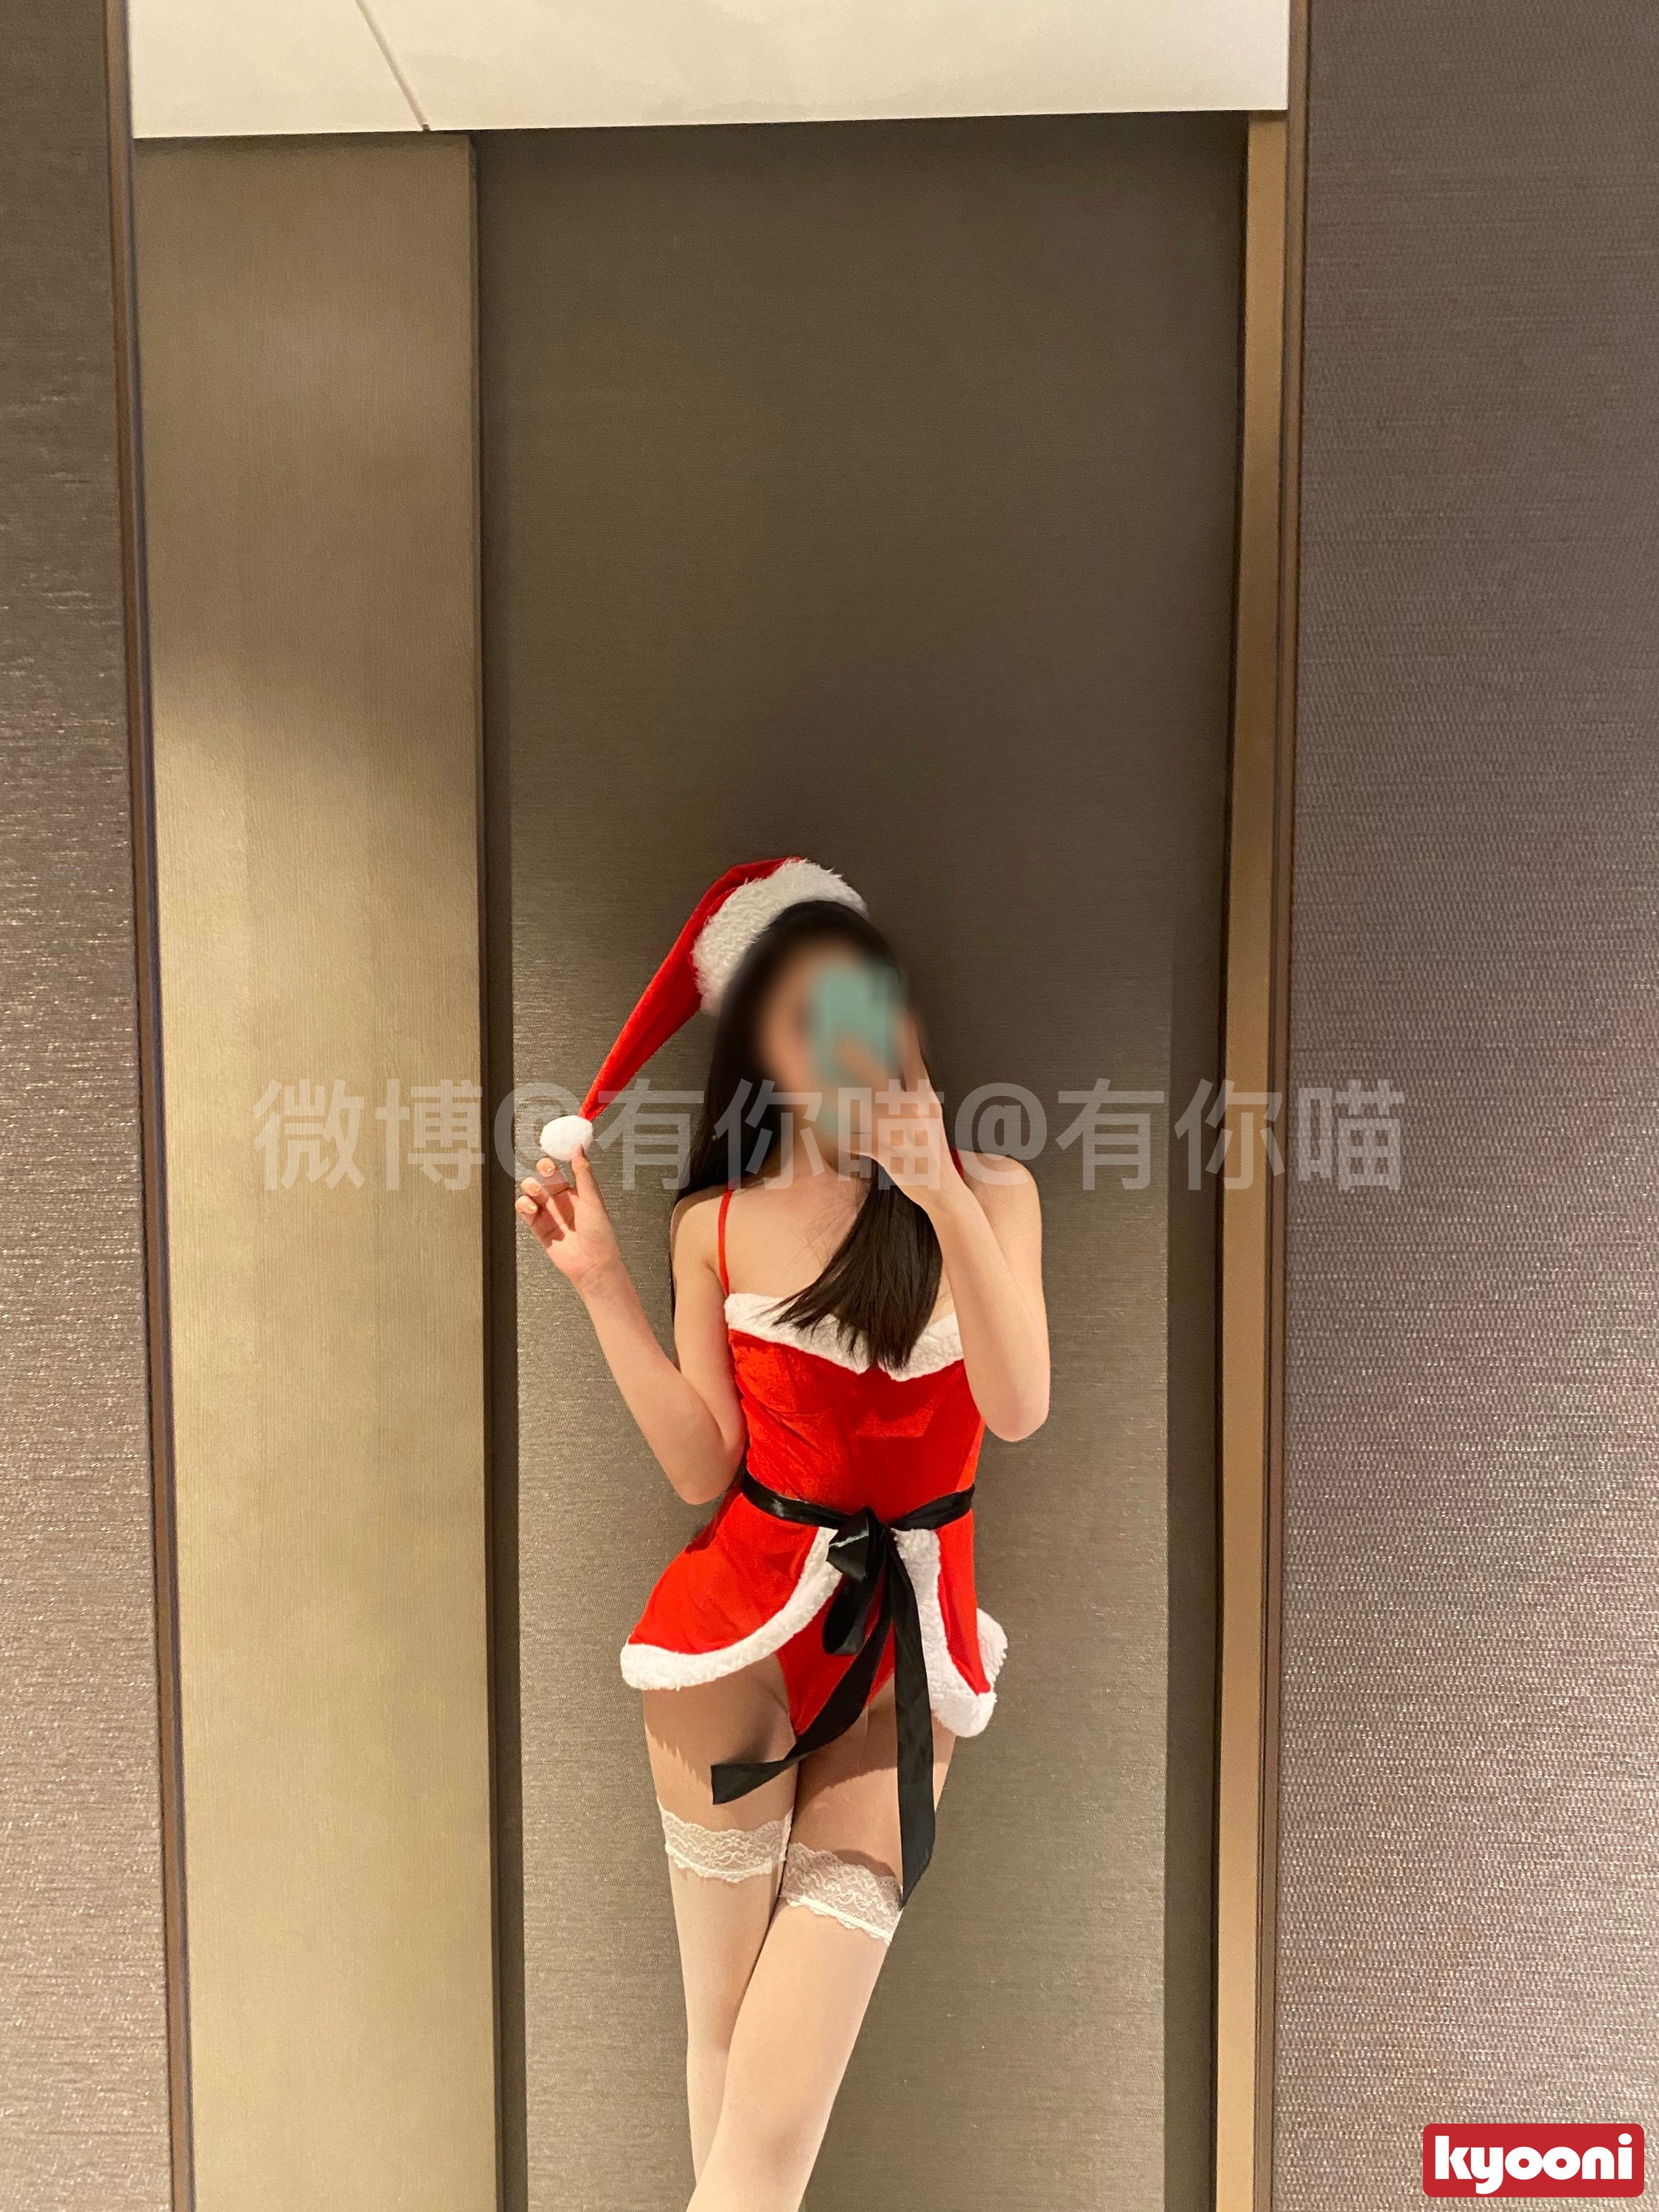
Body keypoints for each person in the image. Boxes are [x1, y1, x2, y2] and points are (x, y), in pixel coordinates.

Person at [516, 858, 1048, 2212]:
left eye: (867, 998)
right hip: (735, 1643)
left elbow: (1018, 1407)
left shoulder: (995, 1192)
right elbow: (704, 1464)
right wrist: (601, 1282)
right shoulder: (716, 1222)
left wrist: (936, 1190)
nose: (850, 1038)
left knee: (780, 2103)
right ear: (764, 1059)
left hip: (900, 1651)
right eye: (806, 1021)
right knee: (721, 2042)